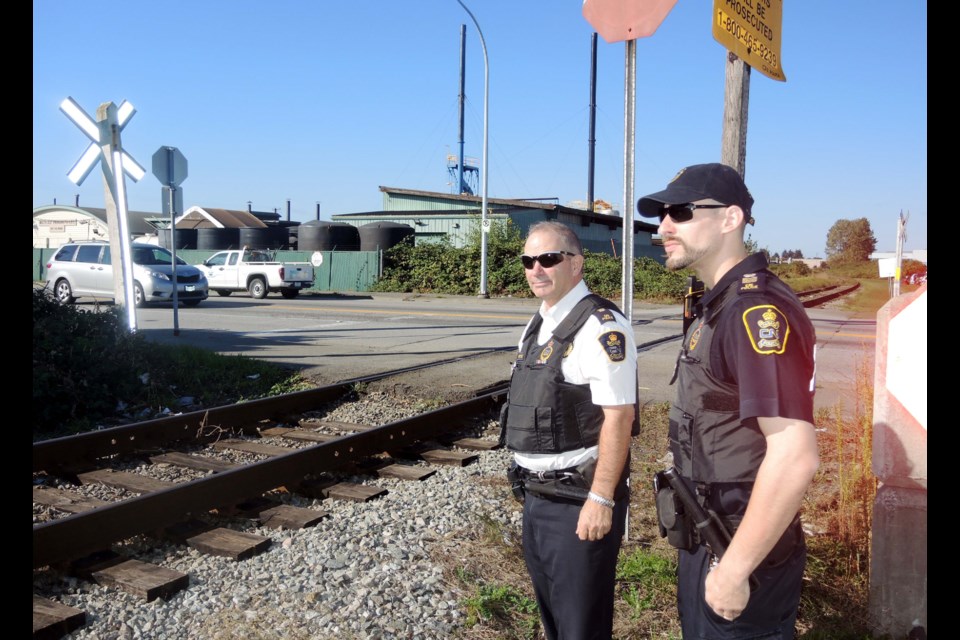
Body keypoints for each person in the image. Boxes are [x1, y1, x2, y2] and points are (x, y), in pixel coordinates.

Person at [637, 163, 819, 639]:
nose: (664, 227)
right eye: (661, 214)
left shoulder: (754, 313)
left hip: (740, 544)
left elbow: (795, 455)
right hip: (709, 531)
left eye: (680, 211)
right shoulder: (716, 305)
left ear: (730, 218)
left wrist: (735, 569)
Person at [499, 220, 638, 640]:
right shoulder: (538, 324)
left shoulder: (600, 326)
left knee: (581, 627)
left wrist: (601, 499)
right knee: (554, 622)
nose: (536, 269)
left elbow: (620, 417)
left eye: (548, 258)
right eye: (528, 260)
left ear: (575, 264)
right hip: (536, 497)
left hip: (577, 501)